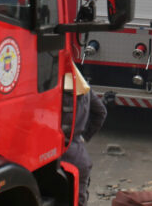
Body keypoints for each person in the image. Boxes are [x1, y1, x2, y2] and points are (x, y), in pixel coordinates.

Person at [62, 63, 108, 206]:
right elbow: (101, 112)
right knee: (79, 199)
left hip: (57, 156)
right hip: (78, 156)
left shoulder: (54, 92)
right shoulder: (85, 89)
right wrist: (84, 136)